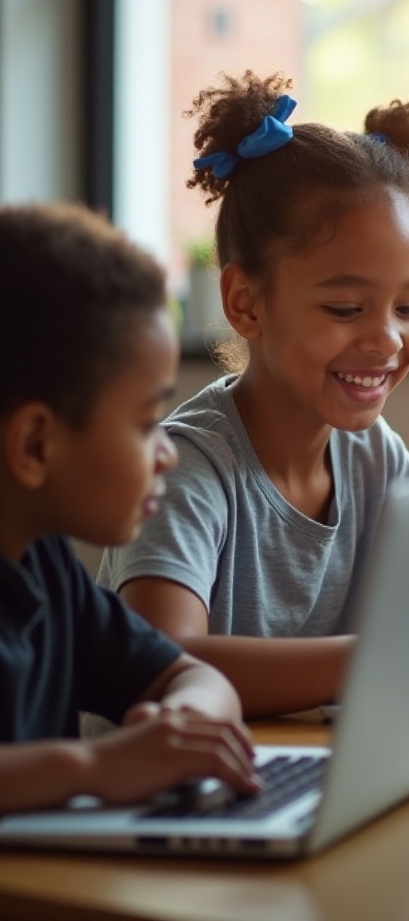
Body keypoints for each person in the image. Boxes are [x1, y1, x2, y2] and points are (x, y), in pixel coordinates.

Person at [98, 69, 409, 719]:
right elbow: (159, 661)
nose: (385, 340)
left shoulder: (373, 455)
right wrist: (402, 651)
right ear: (246, 302)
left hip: (299, 779)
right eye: (346, 308)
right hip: (161, 807)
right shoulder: (185, 468)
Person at [0, 203, 261, 815]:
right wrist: (90, 766)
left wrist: (178, 729)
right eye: (147, 424)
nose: (166, 452)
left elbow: (197, 678)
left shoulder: (45, 566)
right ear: (36, 445)